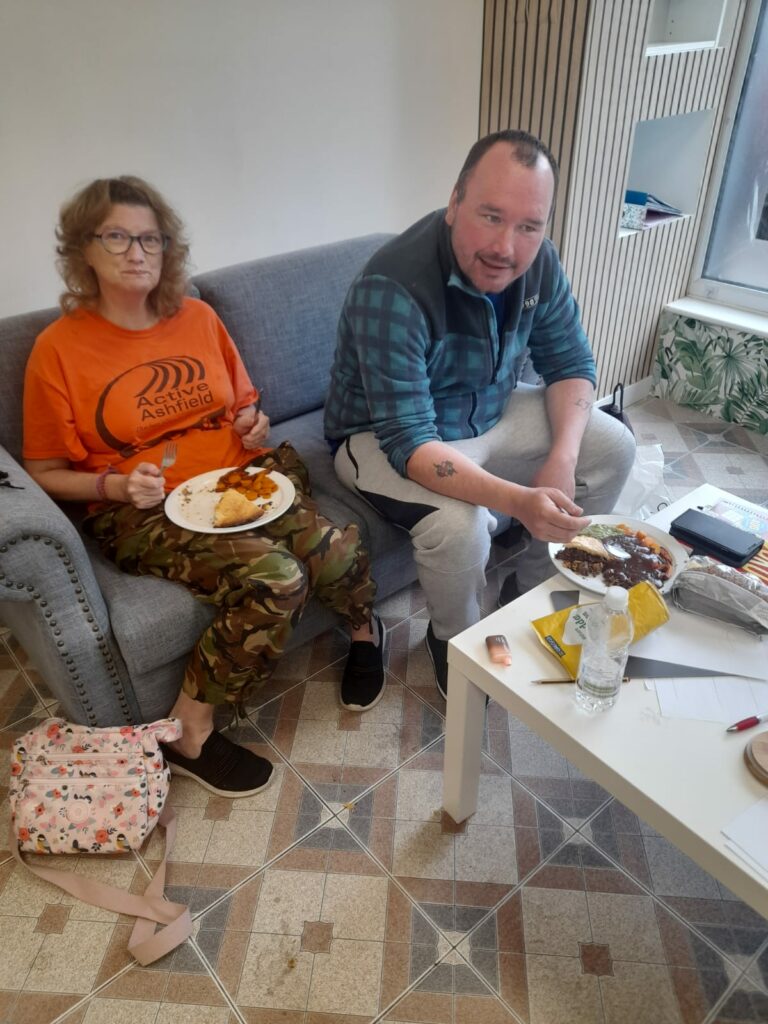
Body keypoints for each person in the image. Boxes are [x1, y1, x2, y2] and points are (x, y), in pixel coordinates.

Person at [23, 175, 385, 798]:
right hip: (145, 509)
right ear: (84, 249)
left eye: (150, 238)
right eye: (117, 237)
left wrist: (255, 422)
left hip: (243, 476)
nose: (136, 252)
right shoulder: (58, 349)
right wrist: (111, 487)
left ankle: (363, 631)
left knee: (336, 549)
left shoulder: (197, 317)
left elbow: (245, 407)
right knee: (277, 580)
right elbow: (41, 474)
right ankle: (191, 732)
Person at [324, 130, 636, 698]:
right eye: (490, 216)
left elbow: (569, 361)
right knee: (459, 526)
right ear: (454, 203)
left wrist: (562, 458)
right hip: (384, 437)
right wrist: (518, 500)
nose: (507, 248)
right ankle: (453, 640)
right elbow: (409, 440)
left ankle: (534, 588)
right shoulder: (392, 286)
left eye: (528, 226)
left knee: (612, 445)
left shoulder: (539, 264)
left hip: (486, 413)